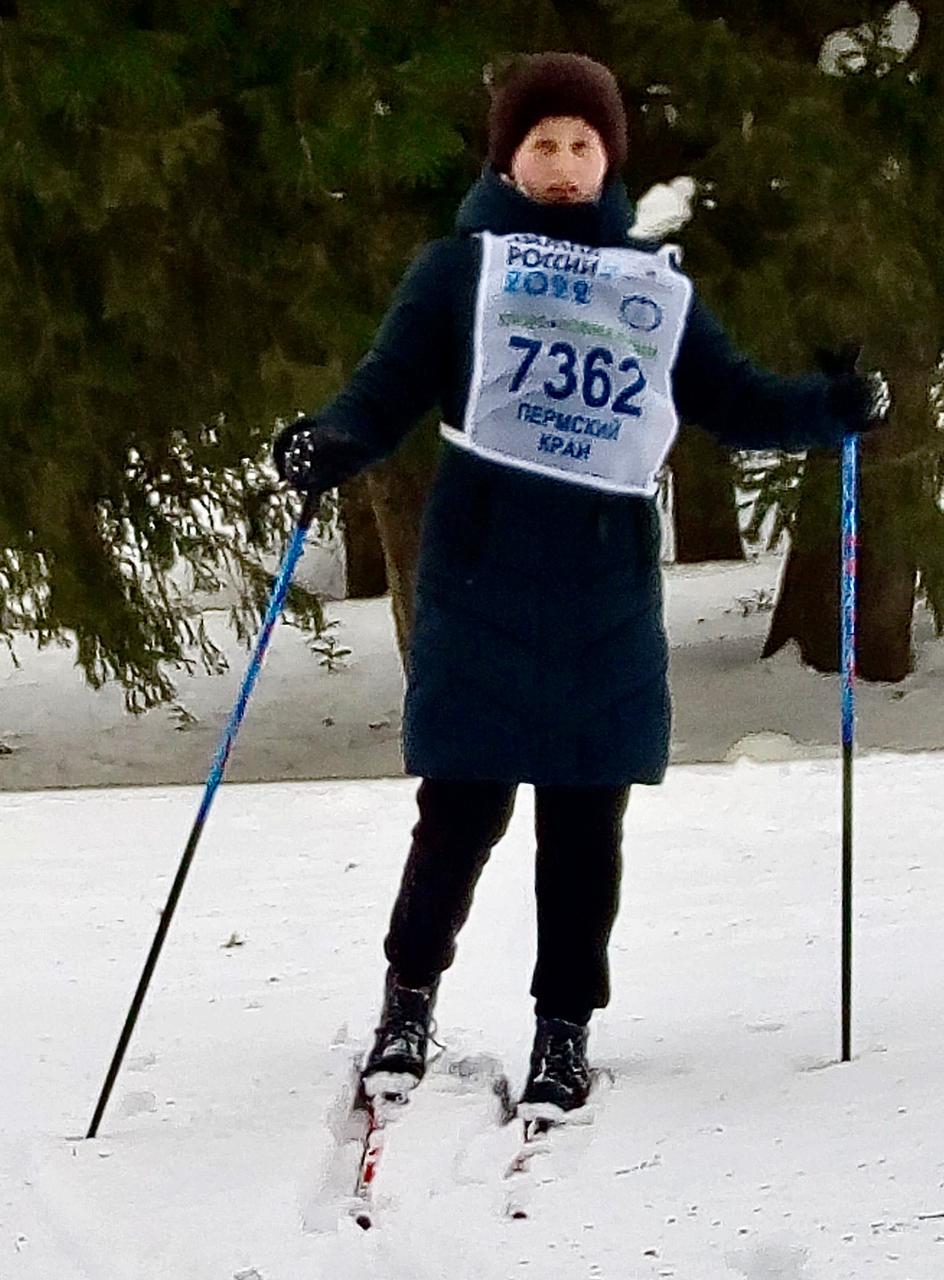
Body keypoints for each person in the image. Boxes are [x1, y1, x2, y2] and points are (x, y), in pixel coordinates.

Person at [274, 53, 888, 1117]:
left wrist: (829, 408)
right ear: (507, 159)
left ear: (609, 159)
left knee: (584, 825)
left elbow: (734, 401)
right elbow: (384, 391)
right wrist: (330, 440)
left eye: (581, 144)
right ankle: (406, 1003)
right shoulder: (457, 272)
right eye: (542, 143)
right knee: (457, 812)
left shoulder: (651, 290)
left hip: (602, 593)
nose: (562, 164)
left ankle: (564, 1028)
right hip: (479, 580)